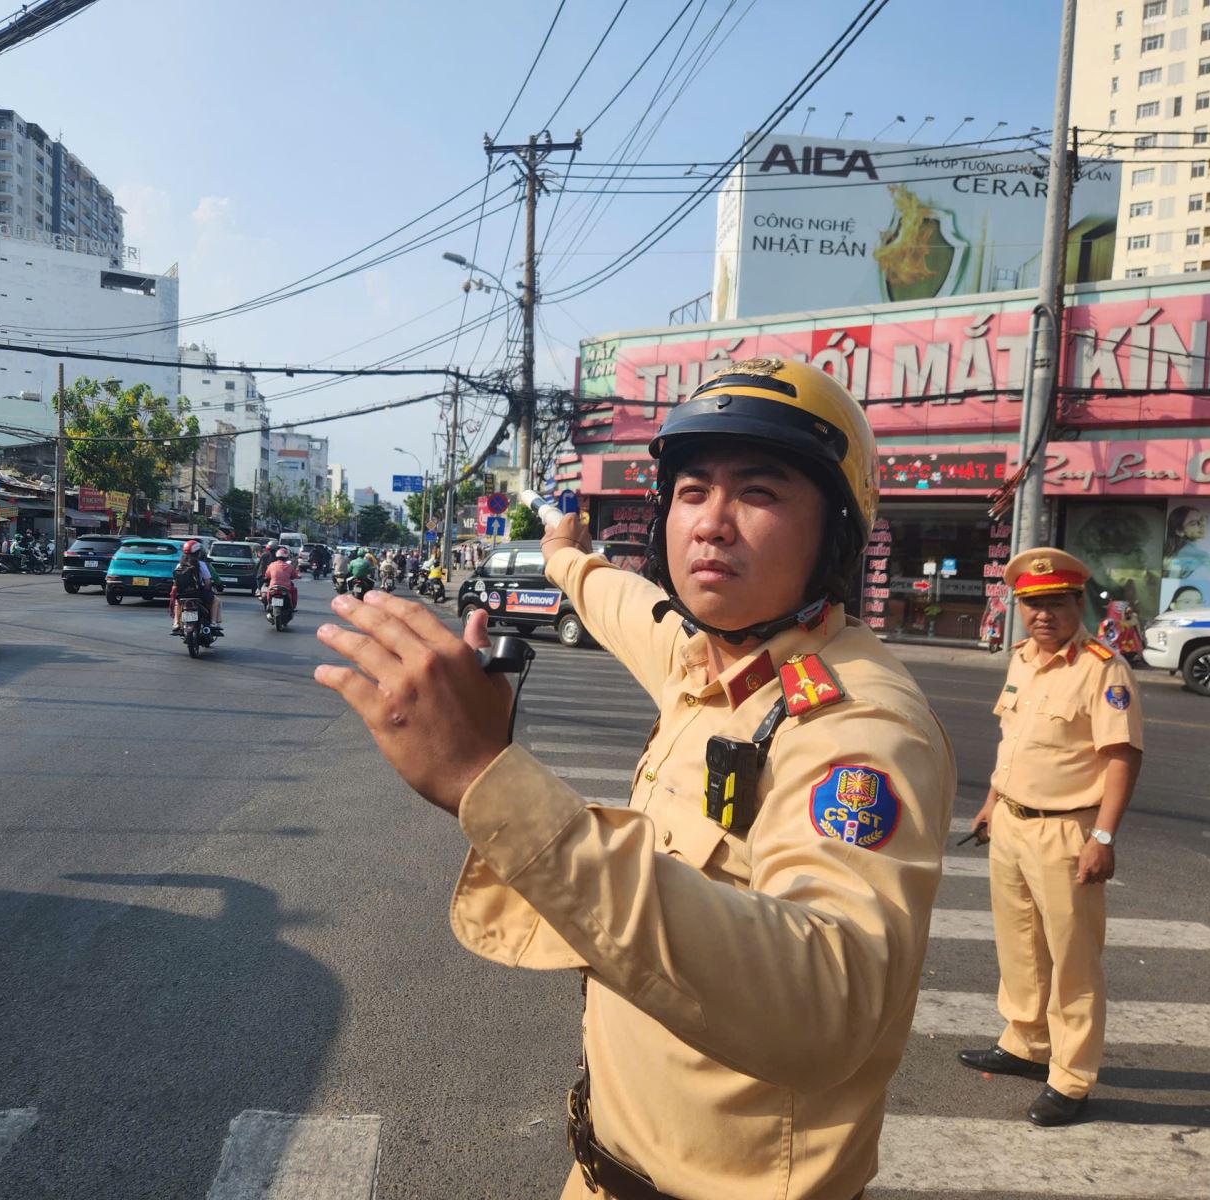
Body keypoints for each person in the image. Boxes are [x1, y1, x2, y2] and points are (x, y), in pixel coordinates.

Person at [313, 357, 954, 1199]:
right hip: (600, 1167)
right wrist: (564, 558)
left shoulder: (852, 723)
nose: (712, 524)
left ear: (834, 533)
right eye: (692, 492)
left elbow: (829, 1002)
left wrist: (487, 775)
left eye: (757, 493)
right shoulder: (709, 659)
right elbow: (620, 603)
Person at [958, 547, 1144, 1128]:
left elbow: (1121, 757)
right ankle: (1025, 1044)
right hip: (1012, 822)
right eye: (1032, 605)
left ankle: (1071, 1077)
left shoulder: (1101, 668)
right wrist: (991, 803)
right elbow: (1013, 742)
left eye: (1055, 604)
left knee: (1072, 960)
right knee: (1019, 944)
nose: (1043, 615)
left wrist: (1104, 836)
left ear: (1077, 603)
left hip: (1068, 831)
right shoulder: (1022, 660)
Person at [171, 540, 222, 634]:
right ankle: (213, 623)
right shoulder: (201, 564)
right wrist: (207, 591)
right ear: (198, 553)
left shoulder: (179, 565)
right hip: (198, 593)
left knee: (178, 603)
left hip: (182, 594)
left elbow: (175, 581)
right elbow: (207, 582)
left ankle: (176, 623)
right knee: (216, 601)